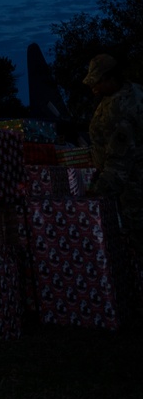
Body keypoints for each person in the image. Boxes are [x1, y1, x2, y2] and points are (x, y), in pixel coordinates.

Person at [85, 53, 143, 256]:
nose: (93, 89)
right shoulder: (131, 92)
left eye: (97, 83)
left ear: (110, 78)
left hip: (133, 191)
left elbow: (119, 164)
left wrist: (95, 193)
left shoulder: (122, 108)